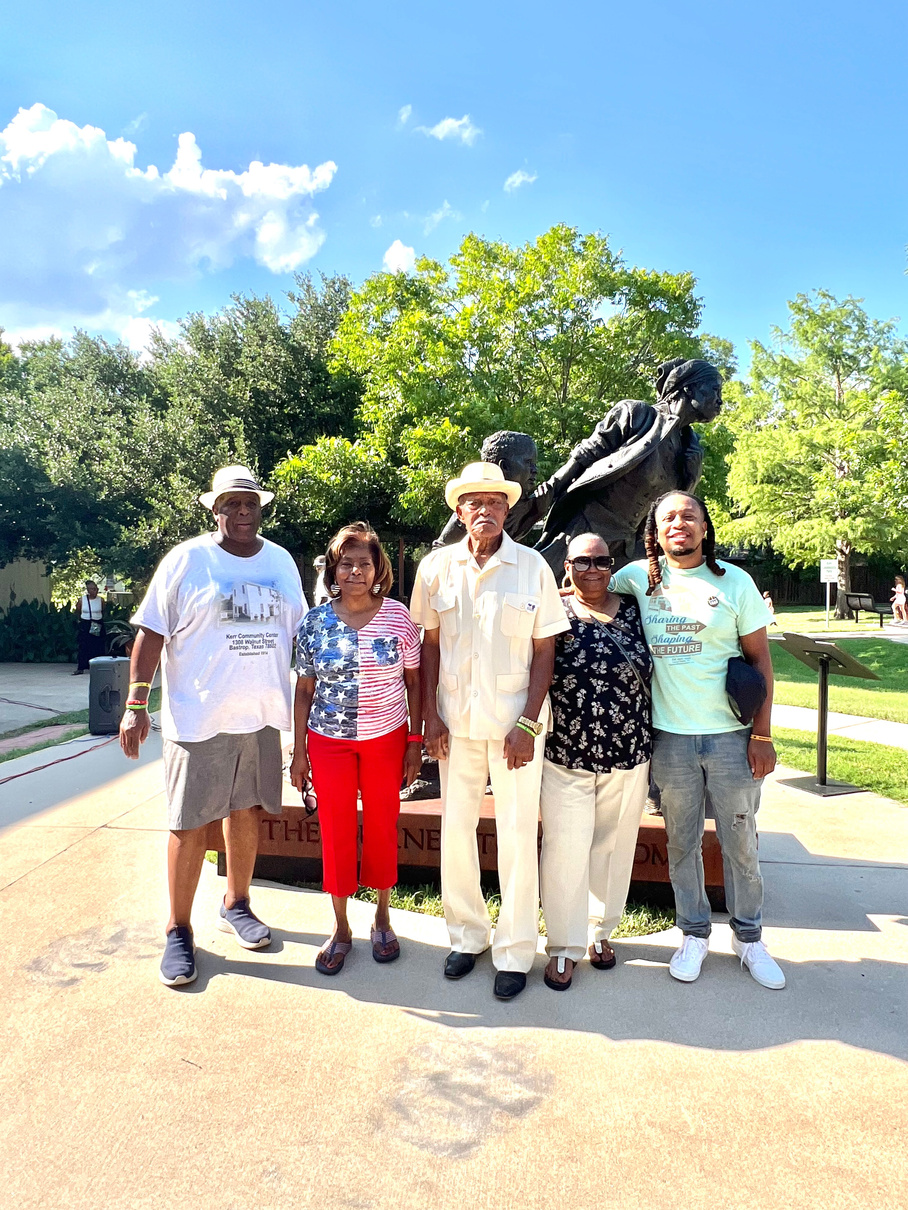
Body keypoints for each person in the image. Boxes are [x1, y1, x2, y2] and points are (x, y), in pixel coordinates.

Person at [120, 465, 308, 987]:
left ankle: (237, 903)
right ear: (214, 508)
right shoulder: (187, 560)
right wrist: (137, 704)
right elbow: (151, 633)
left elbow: (303, 631)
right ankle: (178, 930)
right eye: (231, 504)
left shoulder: (281, 562)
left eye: (250, 503)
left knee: (247, 811)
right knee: (190, 823)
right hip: (199, 718)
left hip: (261, 717)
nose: (242, 512)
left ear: (261, 508)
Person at [609, 491, 786, 990]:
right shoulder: (637, 580)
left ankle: (749, 938)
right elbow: (584, 591)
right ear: (656, 531)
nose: (679, 523)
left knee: (741, 842)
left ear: (705, 527)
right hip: (669, 739)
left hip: (731, 737)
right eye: (668, 518)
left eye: (689, 515)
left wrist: (763, 734)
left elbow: (760, 664)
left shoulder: (735, 582)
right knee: (681, 843)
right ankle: (694, 933)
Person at [411, 462, 570, 1000]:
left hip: (514, 728)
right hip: (454, 723)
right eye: (475, 503)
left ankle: (515, 950)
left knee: (518, 835)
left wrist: (527, 721)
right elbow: (428, 646)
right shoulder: (435, 569)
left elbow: (545, 649)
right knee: (456, 831)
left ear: (508, 510)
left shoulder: (532, 568)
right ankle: (467, 936)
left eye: (496, 503)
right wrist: (428, 716)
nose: (485, 511)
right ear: (459, 510)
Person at [290, 522, 422, 974]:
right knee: (337, 828)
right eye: (346, 563)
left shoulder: (398, 616)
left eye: (363, 563)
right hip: (329, 743)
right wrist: (298, 753)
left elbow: (415, 681)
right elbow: (304, 691)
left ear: (377, 568)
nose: (354, 571)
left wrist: (414, 743)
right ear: (333, 569)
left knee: (383, 825)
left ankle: (383, 917)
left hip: (386, 739)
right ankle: (341, 926)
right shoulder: (314, 622)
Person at [539, 533, 653, 990]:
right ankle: (564, 947)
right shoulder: (554, 610)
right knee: (566, 851)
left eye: (601, 561)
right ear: (566, 566)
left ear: (612, 565)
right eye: (582, 561)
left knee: (613, 847)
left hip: (628, 752)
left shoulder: (635, 610)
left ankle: (601, 932)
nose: (592, 569)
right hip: (566, 753)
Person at [434, 431, 540, 547]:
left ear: (506, 509)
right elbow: (440, 549)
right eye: (528, 463)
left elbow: (558, 481)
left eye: (495, 502)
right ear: (504, 466)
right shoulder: (467, 513)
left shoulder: (532, 503)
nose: (534, 470)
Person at [73, 580, 105, 674]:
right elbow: (78, 611)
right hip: (86, 623)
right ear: (88, 590)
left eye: (96, 589)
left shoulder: (101, 600)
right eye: (93, 589)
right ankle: (81, 667)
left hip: (97, 623)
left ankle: (97, 666)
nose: (95, 591)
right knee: (84, 645)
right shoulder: (82, 600)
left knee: (97, 645)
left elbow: (103, 610)